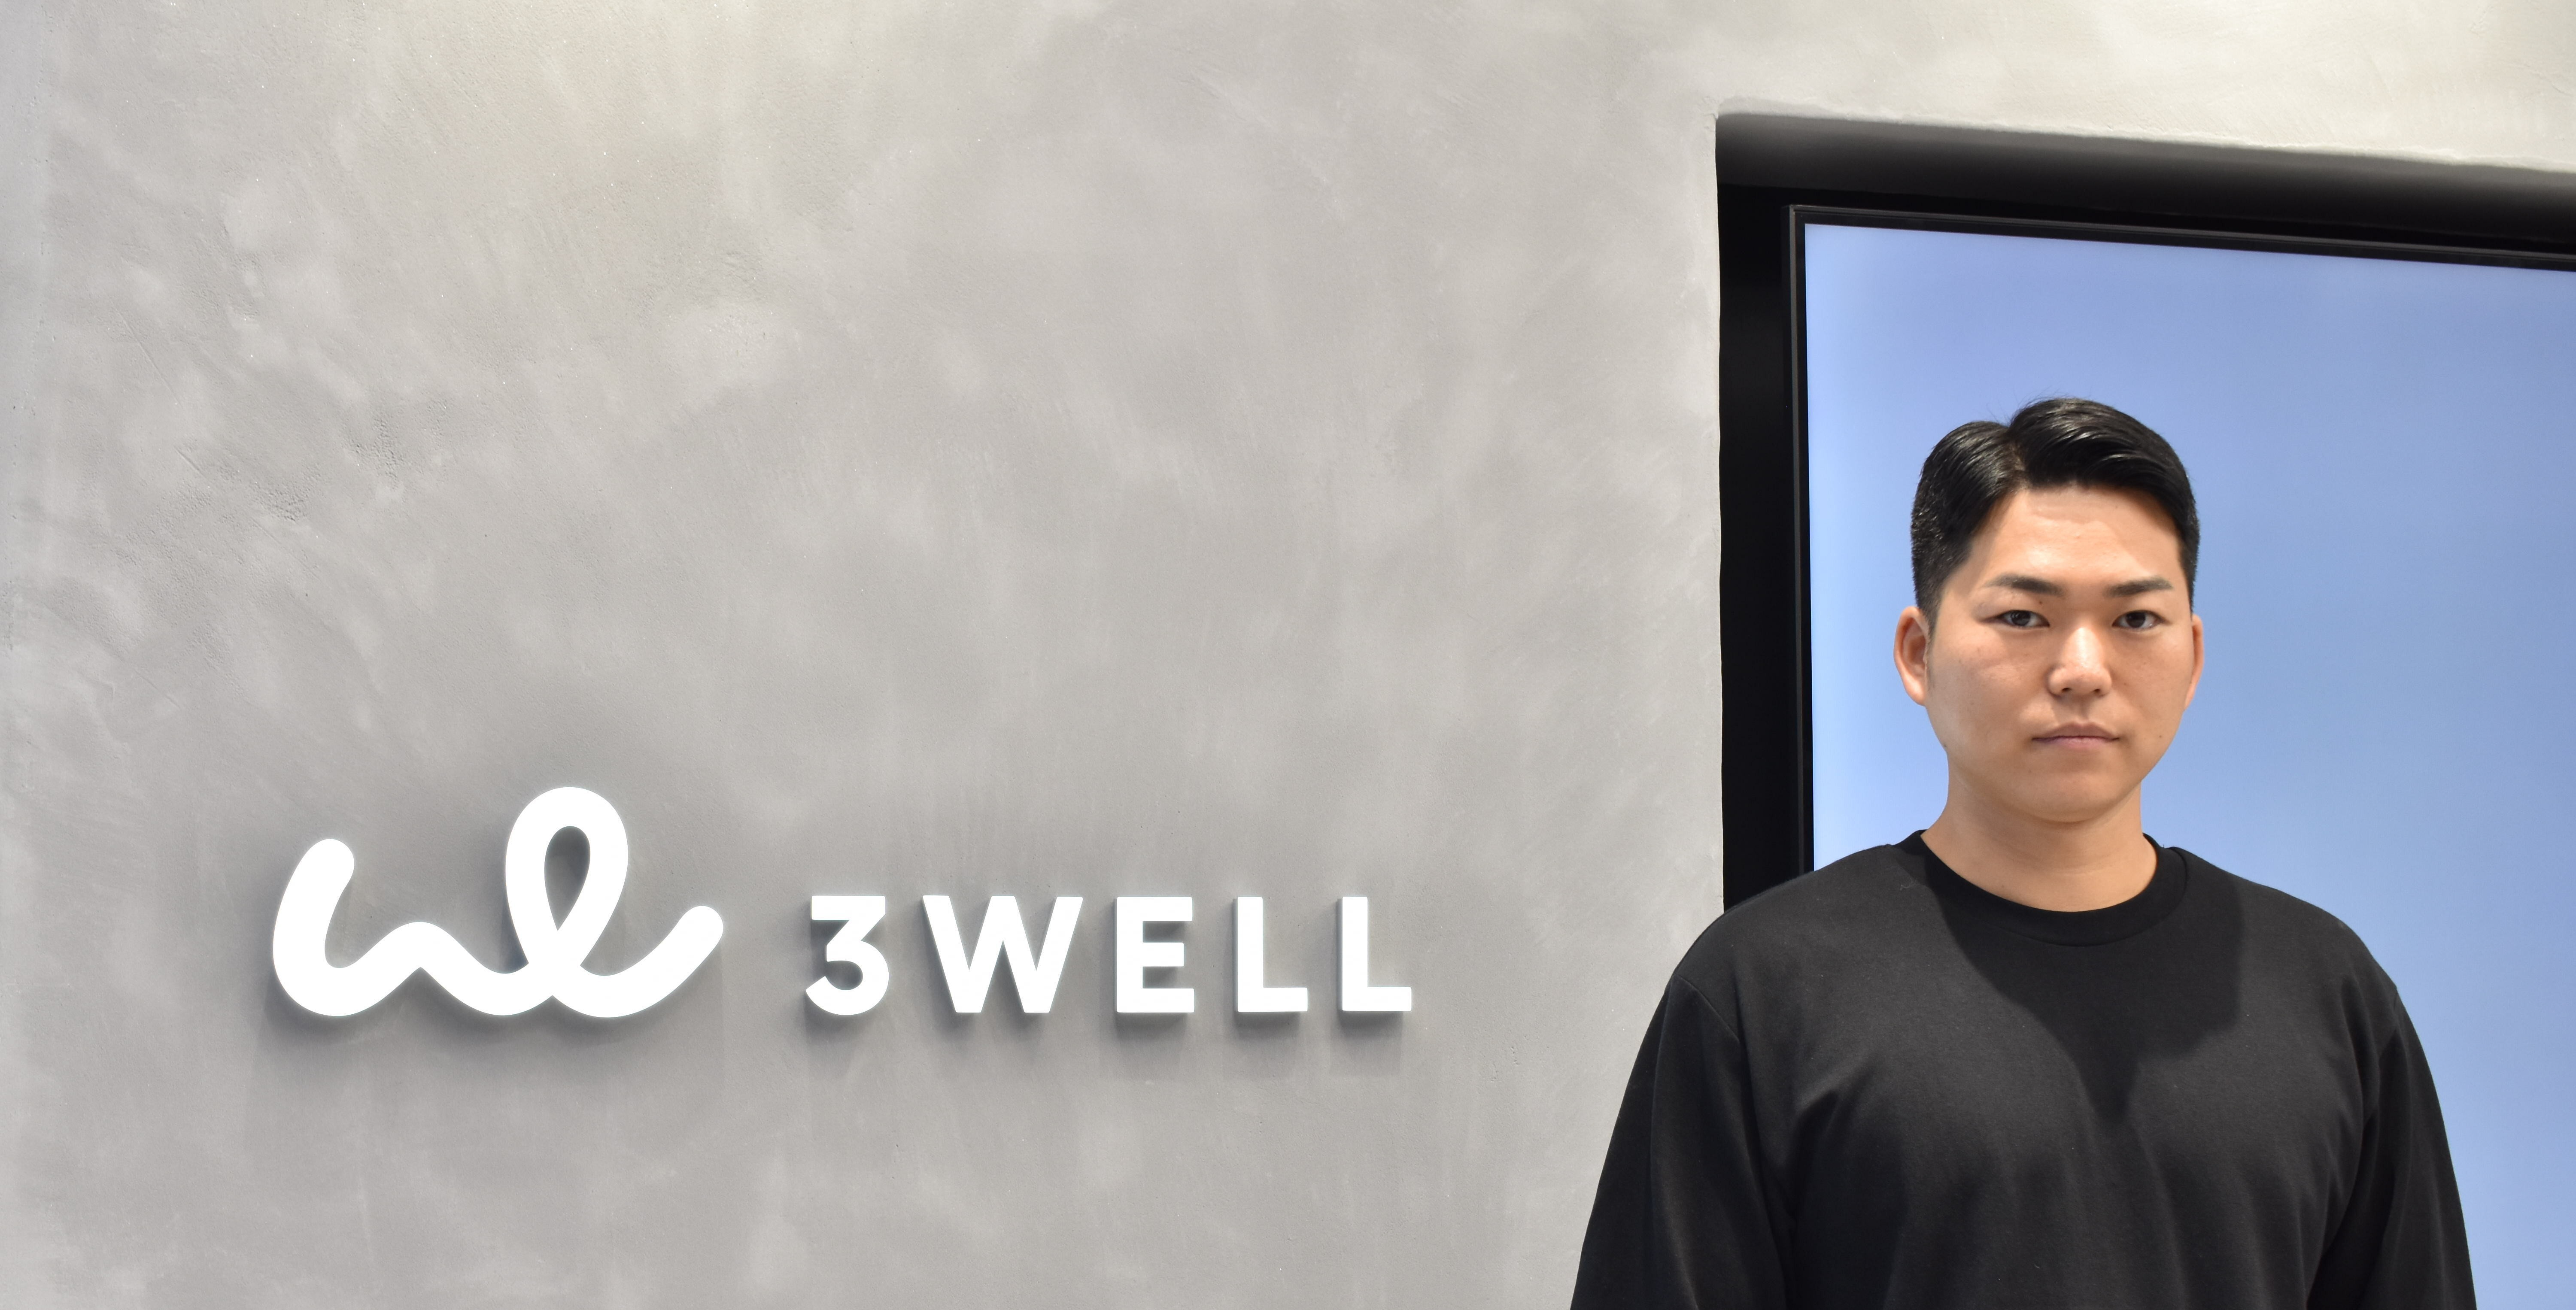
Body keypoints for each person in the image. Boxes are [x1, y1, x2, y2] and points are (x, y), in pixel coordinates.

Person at [1570, 398, 2473, 1309]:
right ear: (1918, 653)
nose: (2082, 669)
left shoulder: (2324, 990)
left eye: (2136, 620)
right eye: (2023, 616)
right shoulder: (1762, 990)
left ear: (2194, 658)